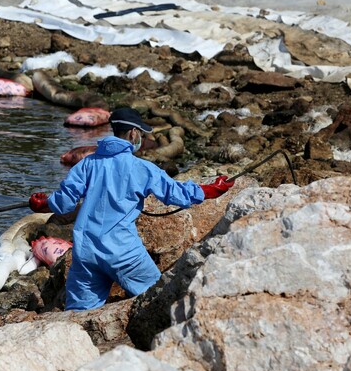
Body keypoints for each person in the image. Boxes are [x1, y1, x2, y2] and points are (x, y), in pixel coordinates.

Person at [29, 107, 234, 311]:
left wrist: (43, 203)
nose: (141, 139)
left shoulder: (86, 164)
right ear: (133, 133)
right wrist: (211, 189)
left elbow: (64, 202)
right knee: (155, 300)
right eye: (141, 134)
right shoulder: (141, 168)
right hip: (123, 252)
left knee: (78, 312)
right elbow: (176, 193)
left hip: (86, 253)